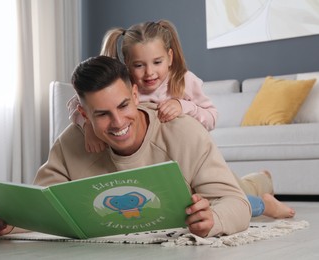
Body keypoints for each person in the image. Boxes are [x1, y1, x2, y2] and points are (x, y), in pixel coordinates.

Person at [0, 55, 252, 238]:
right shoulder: (70, 143)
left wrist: (213, 219)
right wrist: (4, 223)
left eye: (123, 105)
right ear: (83, 114)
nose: (118, 123)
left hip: (206, 181)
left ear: (135, 93)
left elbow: (236, 204)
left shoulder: (185, 132)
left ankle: (258, 183)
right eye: (102, 114)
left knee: (249, 192)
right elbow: (43, 208)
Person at [67, 20, 295, 219]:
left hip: (192, 158)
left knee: (233, 194)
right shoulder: (123, 85)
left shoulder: (184, 81)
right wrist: (85, 125)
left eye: (157, 62)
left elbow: (211, 117)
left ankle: (264, 202)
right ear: (127, 63)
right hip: (157, 163)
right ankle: (261, 180)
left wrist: (183, 106)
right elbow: (80, 106)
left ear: (170, 57)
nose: (149, 73)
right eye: (139, 65)